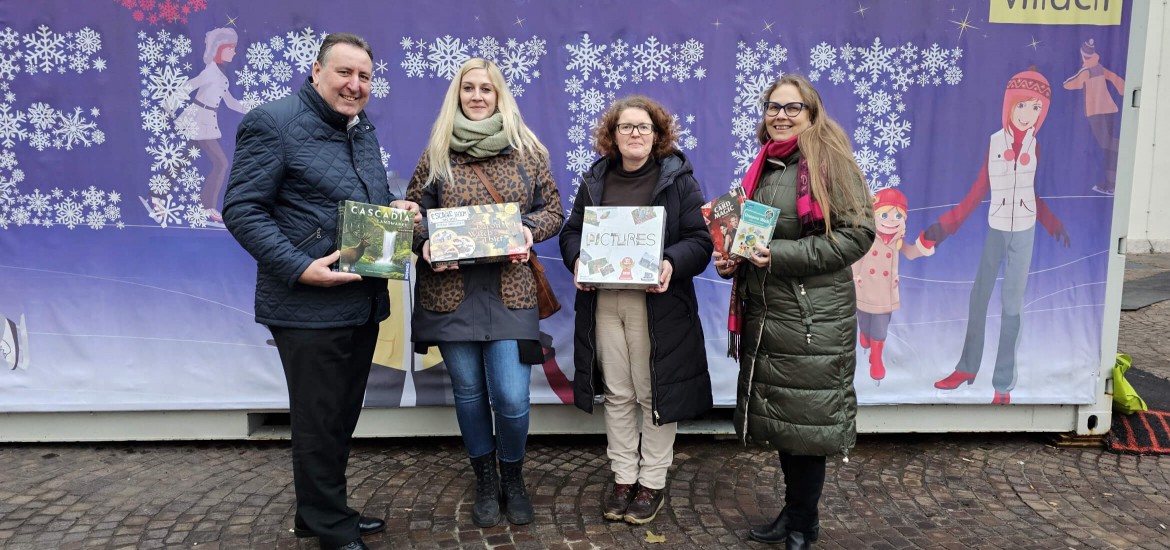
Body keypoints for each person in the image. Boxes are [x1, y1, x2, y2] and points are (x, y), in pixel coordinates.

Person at [222, 33, 420, 550]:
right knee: (318, 417)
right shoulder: (275, 121)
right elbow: (241, 209)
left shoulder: (360, 129)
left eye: (364, 77)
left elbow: (360, 201)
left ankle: (321, 512)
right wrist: (298, 267)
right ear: (316, 71)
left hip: (360, 300)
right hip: (308, 305)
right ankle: (329, 525)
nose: (355, 85)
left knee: (338, 415)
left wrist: (396, 211)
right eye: (344, 73)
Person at [713, 74, 874, 549]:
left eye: (792, 107)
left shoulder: (831, 162)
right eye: (772, 107)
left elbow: (857, 235)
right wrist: (732, 258)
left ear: (812, 112)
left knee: (806, 426)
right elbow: (751, 236)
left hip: (811, 318)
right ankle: (794, 512)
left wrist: (777, 257)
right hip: (768, 313)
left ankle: (805, 522)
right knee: (787, 424)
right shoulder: (762, 166)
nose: (780, 115)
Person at [406, 58, 563, 528]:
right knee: (469, 393)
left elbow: (553, 209)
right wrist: (424, 241)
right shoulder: (436, 154)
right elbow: (413, 213)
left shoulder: (528, 151)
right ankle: (485, 478)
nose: (477, 96)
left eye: (486, 89)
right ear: (457, 95)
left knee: (512, 399)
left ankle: (512, 476)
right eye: (468, 88)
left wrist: (530, 232)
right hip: (450, 292)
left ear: (500, 96)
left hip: (509, 291)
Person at [559, 95, 713, 525]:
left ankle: (652, 481)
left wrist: (670, 262)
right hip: (605, 299)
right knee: (620, 393)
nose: (635, 134)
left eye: (643, 127)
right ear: (612, 135)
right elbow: (572, 233)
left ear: (658, 134)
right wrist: (578, 261)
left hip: (657, 304)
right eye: (626, 127)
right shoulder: (594, 180)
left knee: (652, 393)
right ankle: (624, 476)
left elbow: (701, 242)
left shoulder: (678, 180)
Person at [918, 67, 1070, 405]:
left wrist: (1051, 223)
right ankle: (967, 368)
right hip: (997, 226)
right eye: (1022, 106)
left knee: (1012, 306)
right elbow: (978, 190)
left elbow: (1032, 191)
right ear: (1009, 106)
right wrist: (944, 226)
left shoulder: (1036, 145)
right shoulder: (995, 143)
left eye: (1036, 108)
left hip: (1025, 230)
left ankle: (1003, 384)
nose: (1028, 115)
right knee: (979, 297)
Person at [176, 27, 247, 227]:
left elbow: (231, 102)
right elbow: (188, 86)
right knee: (221, 163)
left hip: (205, 120)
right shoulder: (210, 72)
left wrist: (255, 109)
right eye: (231, 48)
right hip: (199, 119)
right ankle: (208, 207)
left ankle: (158, 194)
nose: (234, 52)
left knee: (184, 159)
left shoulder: (221, 75)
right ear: (219, 48)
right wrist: (169, 107)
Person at [1063, 38, 1125, 195]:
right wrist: (1122, 89)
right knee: (1108, 147)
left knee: (1108, 143)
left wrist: (1064, 83)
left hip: (1096, 112)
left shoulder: (1086, 71)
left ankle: (1127, 152)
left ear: (1083, 56)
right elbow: (1116, 79)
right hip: (1110, 109)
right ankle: (1112, 184)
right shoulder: (1100, 67)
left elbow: (1072, 84)